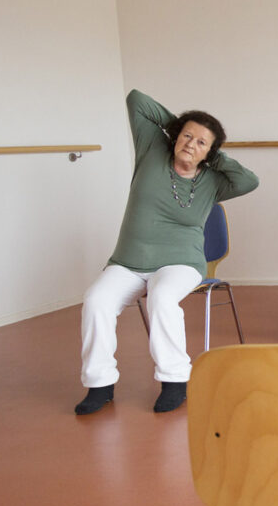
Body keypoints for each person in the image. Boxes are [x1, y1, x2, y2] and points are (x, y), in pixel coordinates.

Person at [74, 90, 259, 415]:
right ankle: (99, 384)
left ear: (211, 153)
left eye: (202, 142)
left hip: (181, 263)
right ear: (174, 136)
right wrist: (182, 128)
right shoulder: (152, 150)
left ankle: (175, 381)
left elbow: (250, 181)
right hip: (128, 262)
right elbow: (136, 101)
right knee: (96, 301)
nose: (191, 144)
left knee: (162, 297)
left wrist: (214, 155)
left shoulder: (214, 180)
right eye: (186, 136)